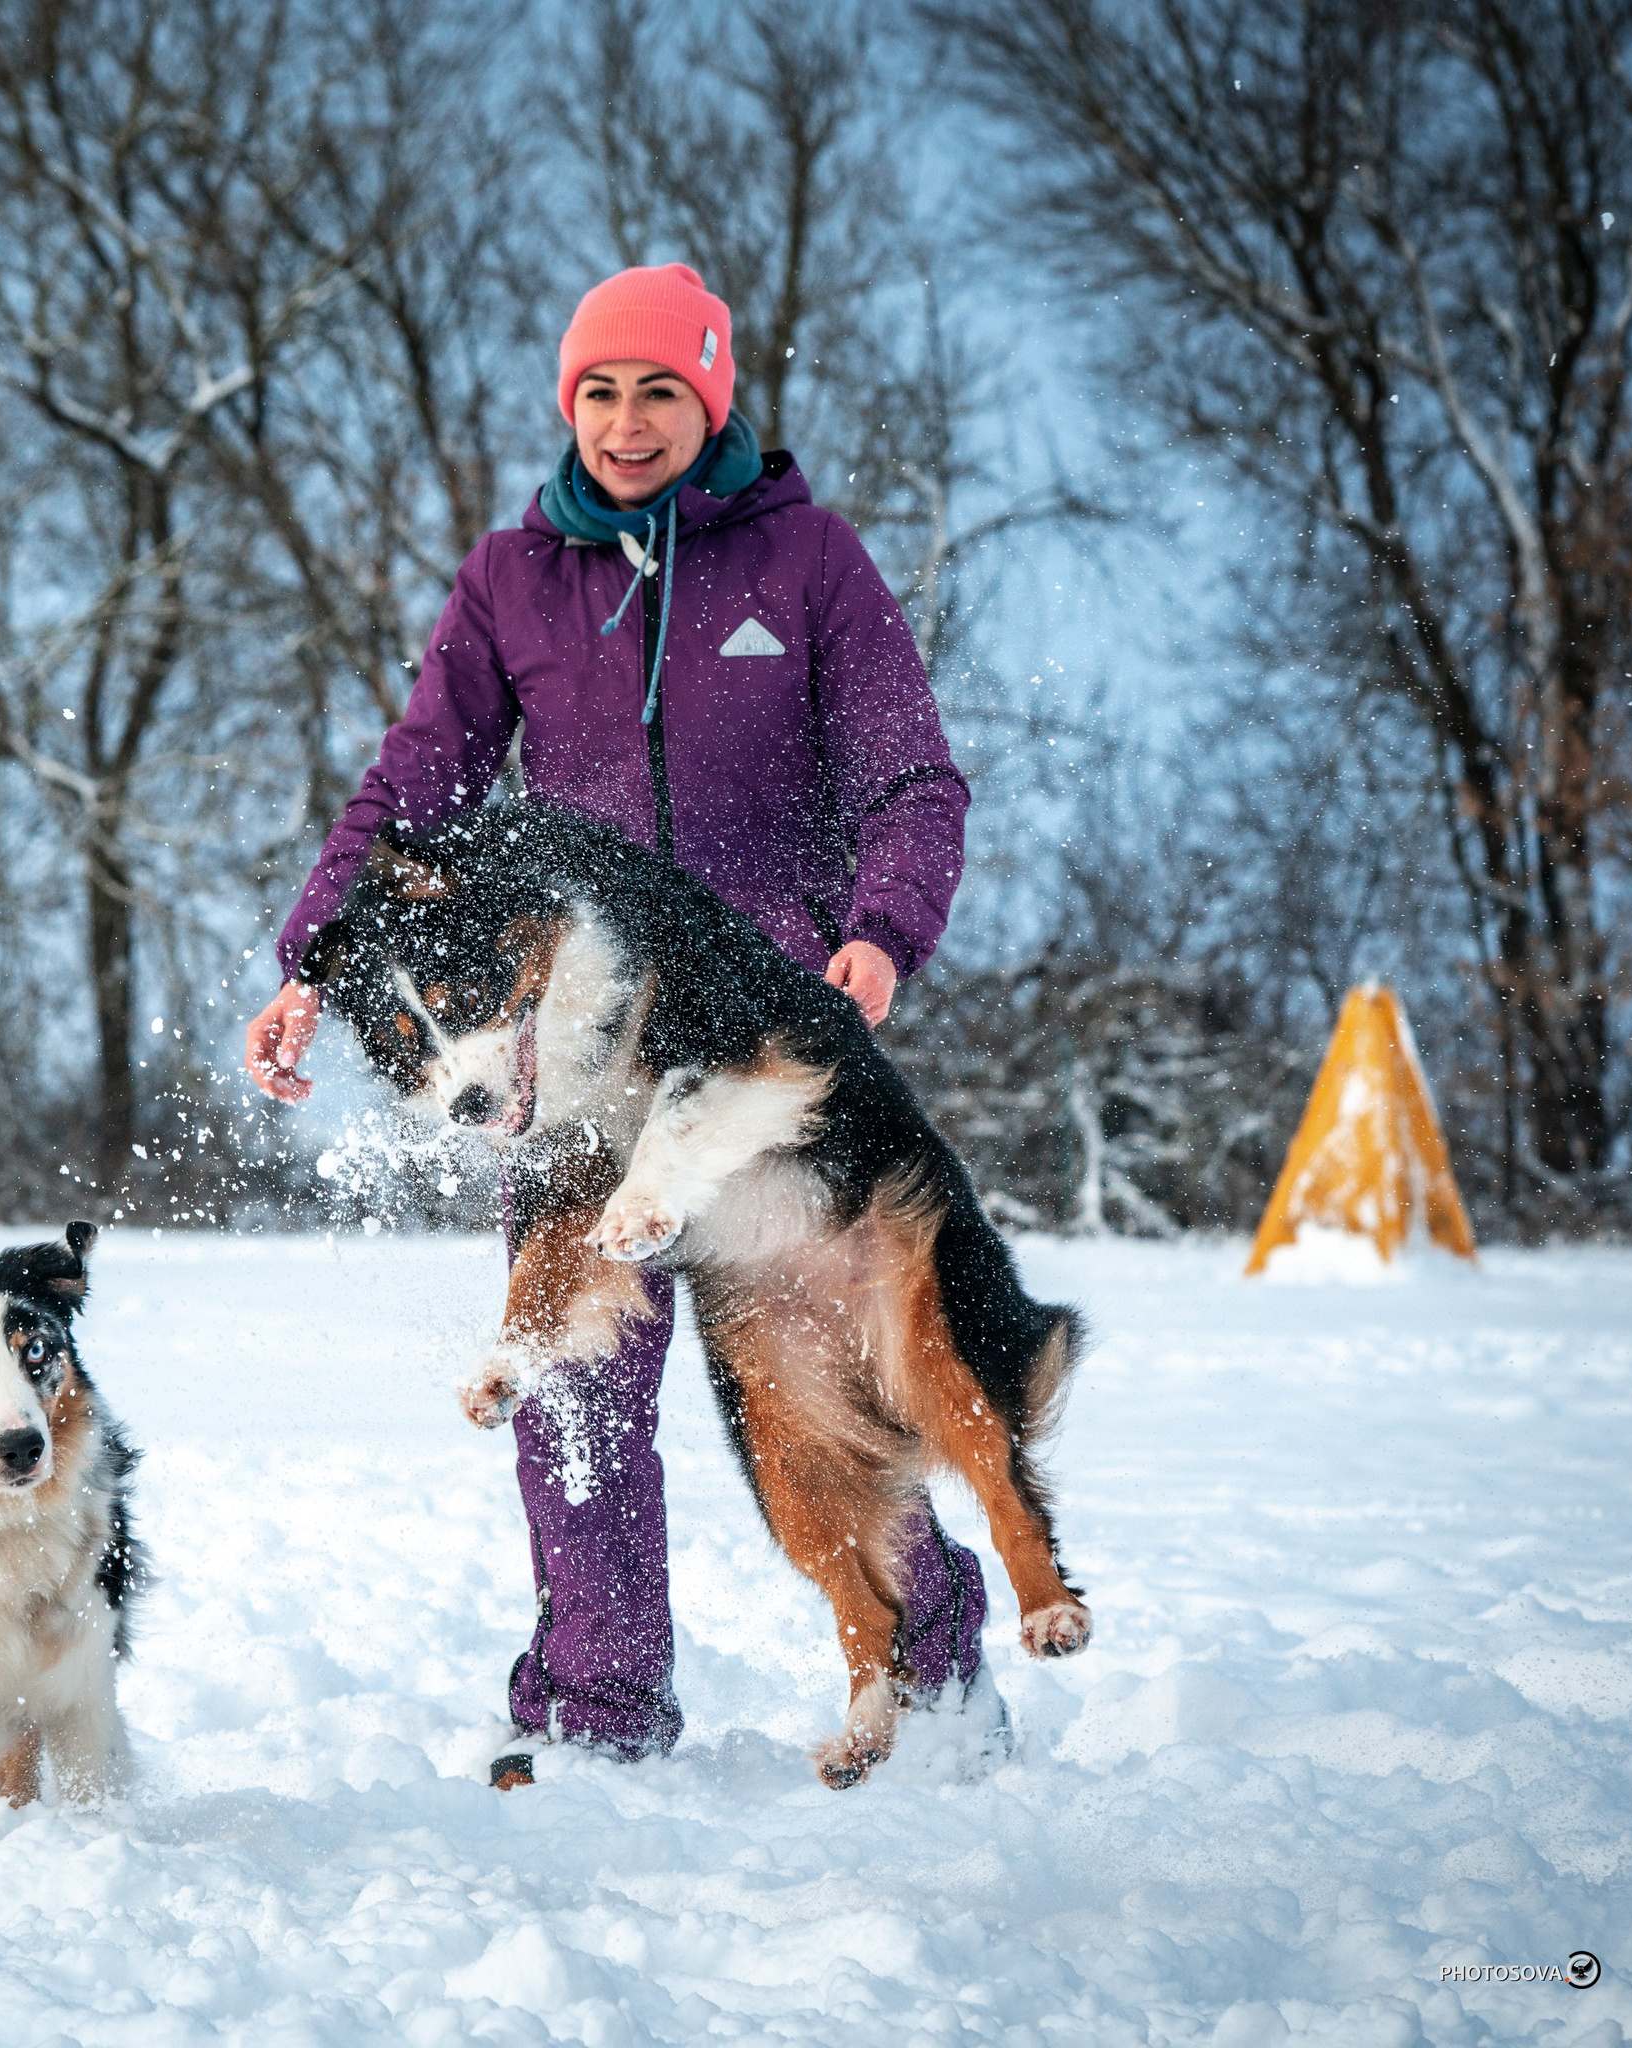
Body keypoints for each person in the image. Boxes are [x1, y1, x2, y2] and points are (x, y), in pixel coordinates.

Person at [244, 263, 990, 1767]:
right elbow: (413, 791)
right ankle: (602, 1712)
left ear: (710, 400)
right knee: (570, 1383)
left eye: (661, 391)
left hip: (754, 1059)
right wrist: (314, 961)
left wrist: (878, 934)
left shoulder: (809, 565)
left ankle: (934, 1678)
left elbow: (911, 780)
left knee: (822, 1389)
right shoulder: (515, 579)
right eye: (600, 391)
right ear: (567, 402)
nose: (628, 421)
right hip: (569, 1073)